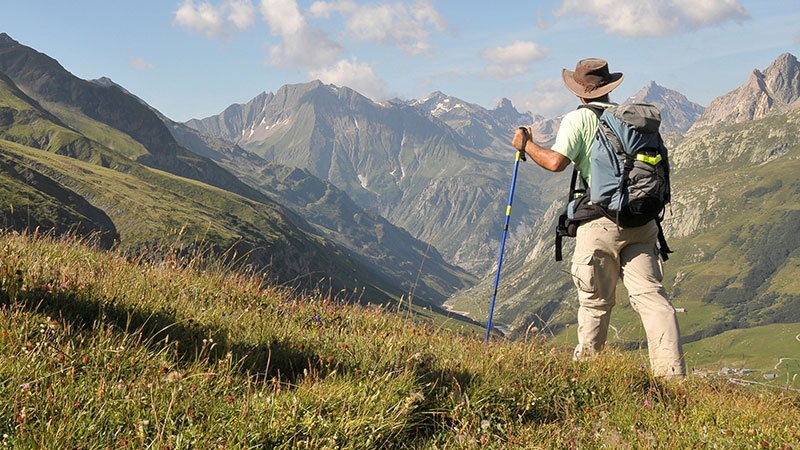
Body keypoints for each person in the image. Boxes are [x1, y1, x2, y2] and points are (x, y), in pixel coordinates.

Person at [511, 58, 685, 378]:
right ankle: (672, 375)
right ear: (608, 88)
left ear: (579, 93)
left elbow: (555, 163)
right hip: (642, 221)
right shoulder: (628, 118)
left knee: (595, 304)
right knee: (652, 298)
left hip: (601, 222)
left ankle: (588, 376)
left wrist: (527, 144)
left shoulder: (579, 120)